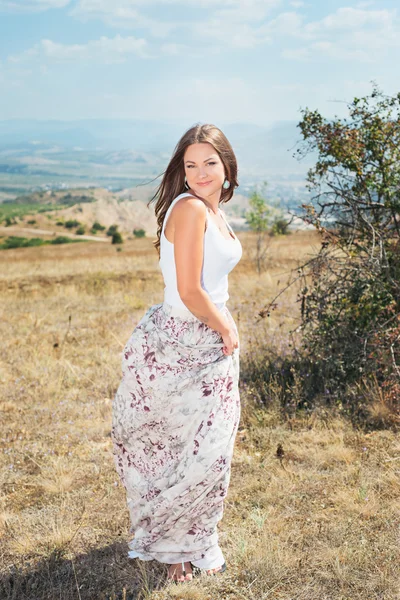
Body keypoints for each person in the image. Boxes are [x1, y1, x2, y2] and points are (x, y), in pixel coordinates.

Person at [111, 123, 243, 585]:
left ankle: (198, 541)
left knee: (206, 452)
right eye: (191, 164)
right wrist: (225, 324)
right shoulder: (189, 210)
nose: (200, 172)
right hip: (184, 341)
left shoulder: (212, 209)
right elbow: (188, 289)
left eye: (210, 162)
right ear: (181, 171)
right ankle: (174, 553)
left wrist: (222, 327)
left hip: (207, 340)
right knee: (180, 450)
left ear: (227, 165)